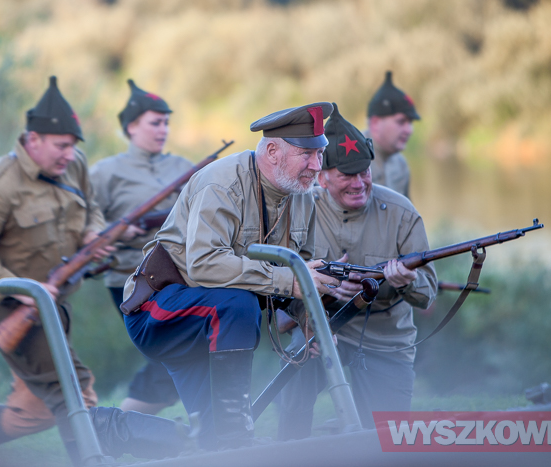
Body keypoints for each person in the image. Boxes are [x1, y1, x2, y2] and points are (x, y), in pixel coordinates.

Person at [90, 102, 341, 455]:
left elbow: (297, 275)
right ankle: (235, 433)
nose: (316, 165)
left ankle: (105, 428)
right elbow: (204, 265)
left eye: (319, 154)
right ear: (273, 151)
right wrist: (288, 282)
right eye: (306, 155)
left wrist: (309, 320)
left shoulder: (302, 197)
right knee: (239, 306)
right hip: (159, 309)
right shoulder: (222, 182)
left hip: (213, 324)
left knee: (211, 448)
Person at [0, 77, 111, 466]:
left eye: (73, 145)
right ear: (33, 139)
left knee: (34, 411)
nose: (69, 154)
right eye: (61, 146)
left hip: (56, 303)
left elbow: (92, 206)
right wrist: (22, 291)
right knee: (73, 392)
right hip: (11, 307)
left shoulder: (75, 164)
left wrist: (93, 233)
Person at [277, 103, 438, 440]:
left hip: (386, 337)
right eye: (347, 175)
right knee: (294, 383)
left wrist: (406, 282)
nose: (359, 183)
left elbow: (427, 294)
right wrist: (312, 318)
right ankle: (291, 450)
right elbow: (279, 283)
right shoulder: (297, 210)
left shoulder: (402, 213)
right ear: (321, 177)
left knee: (388, 437)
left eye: (364, 171)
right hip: (321, 327)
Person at [90, 79, 193, 415]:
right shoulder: (105, 172)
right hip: (130, 279)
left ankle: (126, 425)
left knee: (187, 348)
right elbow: (83, 222)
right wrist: (116, 232)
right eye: (155, 123)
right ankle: (123, 424)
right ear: (131, 126)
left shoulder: (184, 167)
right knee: (176, 350)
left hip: (181, 275)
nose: (163, 130)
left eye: (166, 123)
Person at [366, 70, 421, 198]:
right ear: (375, 123)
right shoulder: (348, 159)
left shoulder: (400, 165)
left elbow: (406, 210)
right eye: (401, 122)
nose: (409, 130)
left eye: (410, 122)